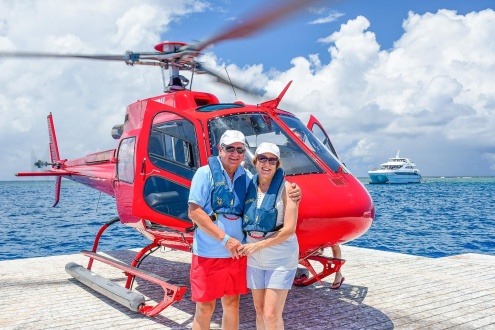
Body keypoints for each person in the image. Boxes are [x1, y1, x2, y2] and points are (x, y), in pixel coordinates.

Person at [188, 131, 301, 330]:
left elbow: (271, 190)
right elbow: (195, 213)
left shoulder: (246, 177)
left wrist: (295, 190)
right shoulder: (204, 173)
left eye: (240, 149)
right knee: (205, 307)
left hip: (237, 255)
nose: (235, 153)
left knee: (232, 304)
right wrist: (225, 240)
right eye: (230, 148)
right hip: (209, 252)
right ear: (220, 149)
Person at [237, 142, 299, 330]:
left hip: (280, 257)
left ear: (277, 165)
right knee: (259, 309)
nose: (267, 164)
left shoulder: (288, 189)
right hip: (255, 259)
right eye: (262, 158)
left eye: (272, 160)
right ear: (255, 162)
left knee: (271, 314)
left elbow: (289, 229)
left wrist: (255, 246)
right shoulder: (248, 186)